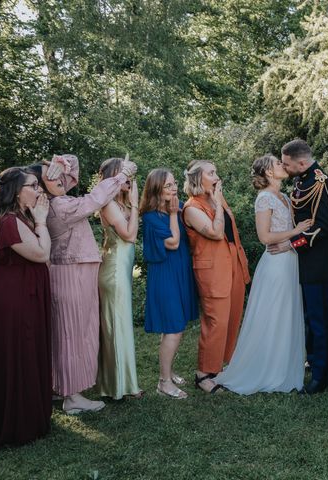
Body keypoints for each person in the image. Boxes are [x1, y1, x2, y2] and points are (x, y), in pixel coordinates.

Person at [30, 154, 136, 414]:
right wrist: (121, 175)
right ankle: (73, 397)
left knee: (66, 332)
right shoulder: (59, 206)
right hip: (71, 275)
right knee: (72, 335)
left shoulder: (58, 198)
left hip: (74, 272)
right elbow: (95, 199)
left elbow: (74, 166)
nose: (60, 178)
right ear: (42, 186)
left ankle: (60, 387)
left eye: (59, 174)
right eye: (51, 176)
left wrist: (61, 163)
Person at [215, 155, 312, 394]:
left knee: (287, 312)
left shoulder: (285, 198)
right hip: (275, 263)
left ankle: (284, 365)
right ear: (268, 172)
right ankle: (265, 368)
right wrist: (296, 230)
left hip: (290, 260)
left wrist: (294, 239)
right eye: (278, 164)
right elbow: (265, 237)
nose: (282, 165)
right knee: (272, 313)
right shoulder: (265, 198)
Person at [0, 167, 52, 451]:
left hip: (20, 293)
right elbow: (42, 254)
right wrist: (41, 222)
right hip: (11, 299)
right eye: (34, 185)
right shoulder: (9, 222)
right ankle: (14, 422)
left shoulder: (20, 217)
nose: (39, 190)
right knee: (17, 353)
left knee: (25, 352)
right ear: (17, 191)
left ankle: (27, 415)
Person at [276, 139, 328, 394]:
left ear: (302, 162)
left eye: (286, 163)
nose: (284, 167)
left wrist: (293, 244)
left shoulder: (321, 183)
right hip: (305, 262)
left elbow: (323, 227)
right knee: (308, 318)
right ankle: (314, 361)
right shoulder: (302, 180)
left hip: (318, 262)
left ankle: (321, 376)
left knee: (319, 319)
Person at [183, 161, 250, 393]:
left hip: (232, 262)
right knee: (216, 321)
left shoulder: (215, 197)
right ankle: (203, 373)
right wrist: (219, 203)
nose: (216, 176)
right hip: (212, 269)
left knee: (232, 317)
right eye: (211, 173)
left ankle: (222, 366)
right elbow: (215, 232)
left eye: (216, 172)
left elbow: (232, 230)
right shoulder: (192, 207)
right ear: (197, 179)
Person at [141, 168, 199, 400]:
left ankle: (170, 371)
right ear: (156, 189)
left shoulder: (181, 207)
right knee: (173, 328)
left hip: (181, 271)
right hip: (165, 274)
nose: (174, 189)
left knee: (179, 326)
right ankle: (163, 382)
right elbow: (173, 243)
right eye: (168, 186)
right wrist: (175, 214)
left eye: (175, 184)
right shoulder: (151, 216)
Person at [95, 157, 143, 400]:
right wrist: (135, 205)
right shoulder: (109, 204)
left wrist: (132, 203)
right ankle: (119, 386)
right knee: (117, 326)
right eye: (123, 175)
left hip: (121, 269)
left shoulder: (120, 203)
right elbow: (129, 236)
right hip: (113, 270)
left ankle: (121, 382)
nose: (128, 180)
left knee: (120, 325)